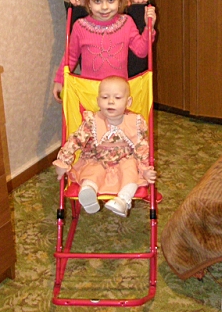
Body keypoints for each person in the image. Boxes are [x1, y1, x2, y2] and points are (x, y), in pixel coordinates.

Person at [53, 75, 157, 217]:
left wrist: (145, 170)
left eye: (117, 98)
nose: (111, 101)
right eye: (105, 97)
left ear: (128, 102)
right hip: (97, 159)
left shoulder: (135, 122)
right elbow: (75, 141)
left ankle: (123, 200)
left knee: (131, 170)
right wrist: (63, 162)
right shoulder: (93, 121)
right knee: (93, 171)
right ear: (98, 101)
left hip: (125, 160)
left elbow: (142, 149)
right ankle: (88, 191)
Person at [52, 0, 156, 102]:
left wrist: (149, 27)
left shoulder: (127, 23)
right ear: (88, 3)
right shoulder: (80, 27)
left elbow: (141, 51)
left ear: (120, 0)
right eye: (98, 1)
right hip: (90, 95)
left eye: (111, 0)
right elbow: (70, 56)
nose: (104, 7)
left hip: (118, 96)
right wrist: (60, 80)